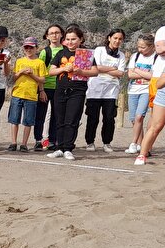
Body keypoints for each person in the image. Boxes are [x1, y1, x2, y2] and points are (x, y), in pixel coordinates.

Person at [46, 25, 97, 160]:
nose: (70, 42)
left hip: (77, 91)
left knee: (72, 120)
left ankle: (68, 148)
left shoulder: (86, 54)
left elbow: (95, 71)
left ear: (80, 39)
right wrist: (63, 69)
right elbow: (51, 71)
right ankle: (59, 147)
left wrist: (80, 71)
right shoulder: (61, 53)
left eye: (73, 39)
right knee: (59, 120)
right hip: (60, 90)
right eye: (68, 39)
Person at [83, 29, 126, 152]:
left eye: (120, 39)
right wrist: (111, 68)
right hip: (95, 88)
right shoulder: (99, 50)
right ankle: (90, 142)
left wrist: (105, 69)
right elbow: (95, 68)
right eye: (115, 38)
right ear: (109, 38)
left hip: (111, 90)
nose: (117, 41)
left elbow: (120, 72)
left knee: (109, 118)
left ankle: (107, 142)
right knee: (93, 118)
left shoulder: (121, 55)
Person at [6, 37, 47, 151]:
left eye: (31, 47)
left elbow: (42, 80)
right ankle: (13, 142)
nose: (29, 49)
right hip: (17, 94)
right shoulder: (19, 61)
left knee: (28, 121)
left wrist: (32, 75)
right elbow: (13, 77)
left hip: (31, 96)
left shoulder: (40, 62)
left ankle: (24, 144)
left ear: (36, 48)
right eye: (26, 47)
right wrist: (21, 72)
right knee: (14, 119)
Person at [123, 34, 158, 154]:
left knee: (139, 116)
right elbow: (130, 75)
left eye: (143, 47)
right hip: (133, 89)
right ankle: (143, 146)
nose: (140, 50)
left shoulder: (156, 58)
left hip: (146, 90)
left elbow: (153, 76)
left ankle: (133, 143)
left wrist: (137, 70)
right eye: (139, 46)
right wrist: (144, 73)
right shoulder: (135, 56)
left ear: (151, 46)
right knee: (134, 119)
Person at [35, 24, 63, 149]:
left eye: (57, 32)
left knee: (56, 115)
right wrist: (41, 90)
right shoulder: (44, 52)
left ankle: (52, 140)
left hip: (59, 87)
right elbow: (39, 72)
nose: (54, 35)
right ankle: (39, 140)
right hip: (45, 87)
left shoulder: (65, 51)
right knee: (40, 114)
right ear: (47, 36)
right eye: (51, 33)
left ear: (62, 34)